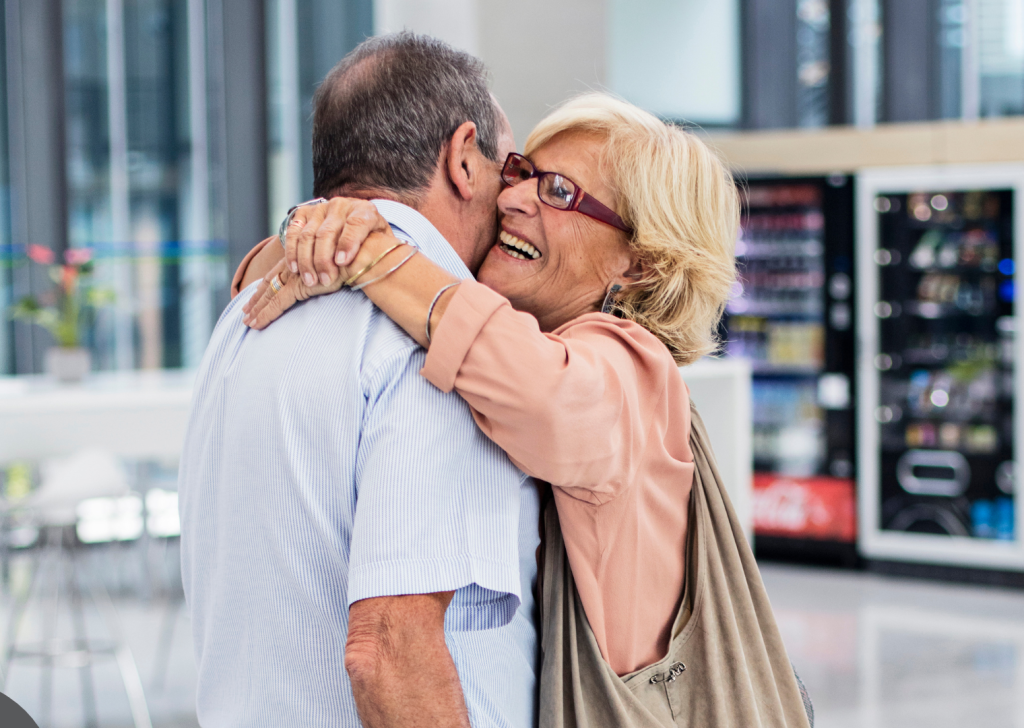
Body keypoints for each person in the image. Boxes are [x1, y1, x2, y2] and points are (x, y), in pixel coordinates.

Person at [238, 94, 814, 727]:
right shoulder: (534, 341)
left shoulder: (629, 367)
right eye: (523, 173)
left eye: (560, 193)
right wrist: (309, 240)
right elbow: (255, 290)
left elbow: (543, 395)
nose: (513, 199)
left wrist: (372, 255)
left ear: (640, 264)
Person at [178, 33, 541, 728]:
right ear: (464, 158)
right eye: (510, 166)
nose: (515, 196)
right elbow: (389, 651)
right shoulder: (433, 346)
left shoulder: (243, 322)